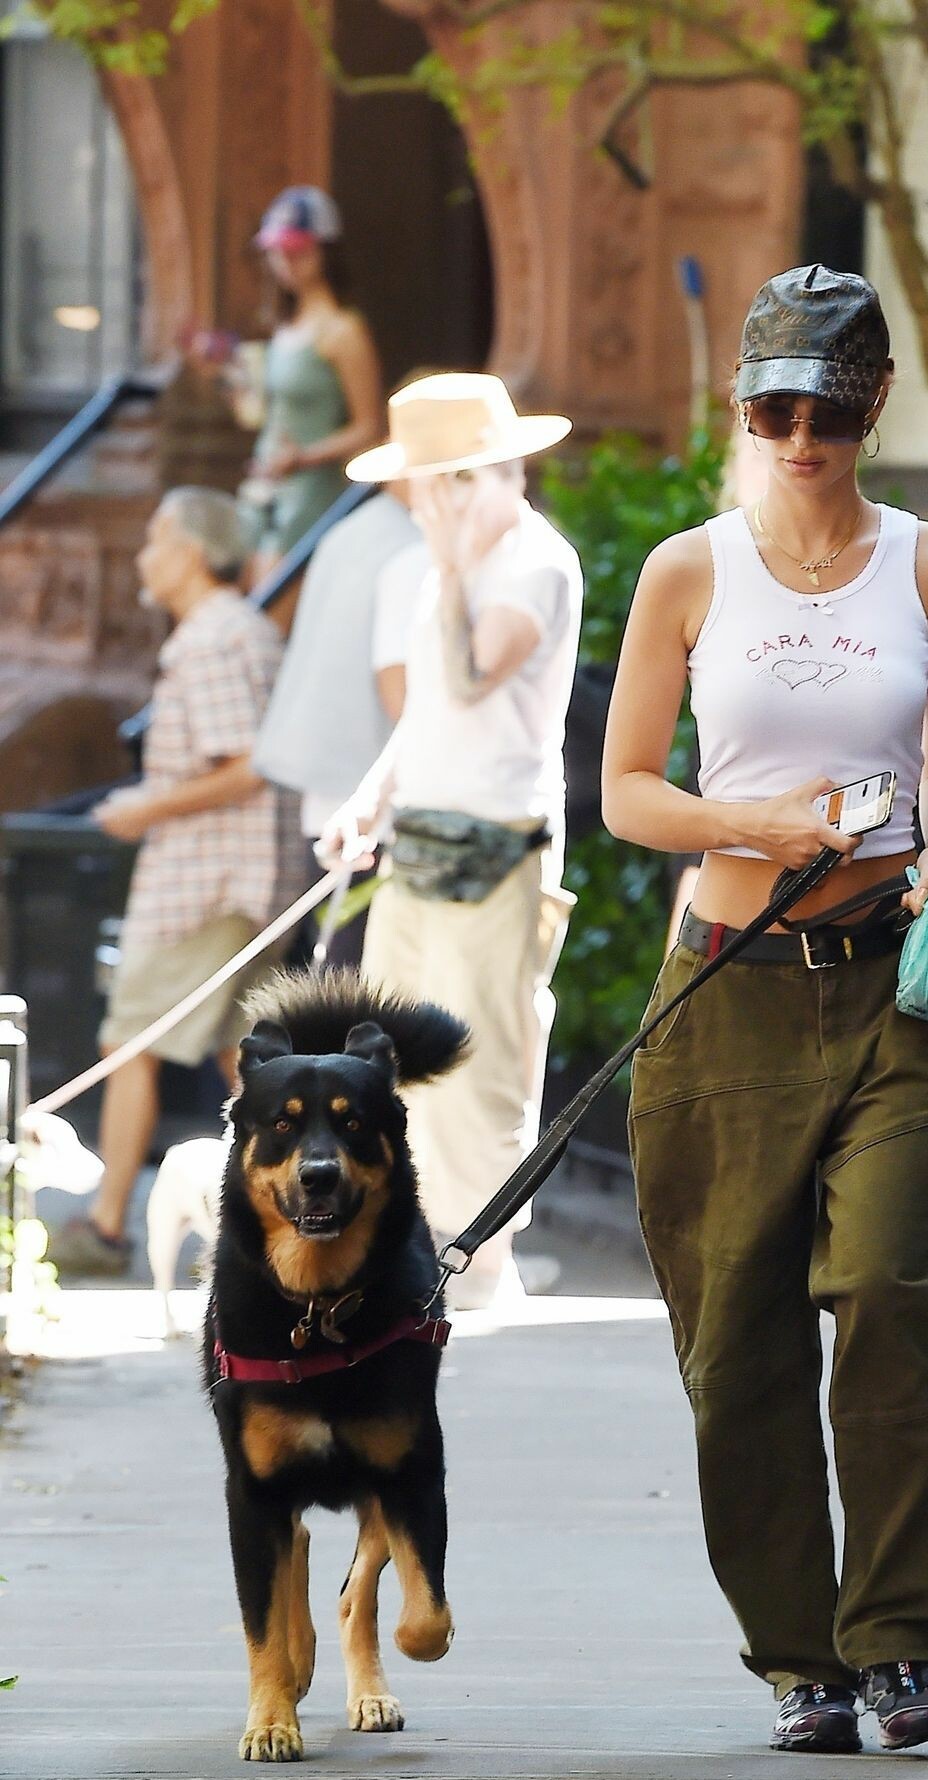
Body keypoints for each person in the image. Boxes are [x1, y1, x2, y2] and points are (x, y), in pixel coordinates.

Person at [603, 264, 928, 1755]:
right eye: (775, 412)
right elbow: (628, 791)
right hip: (725, 993)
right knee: (736, 1344)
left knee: (888, 1285)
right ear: (742, 409)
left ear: (875, 402)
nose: (803, 437)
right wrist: (754, 825)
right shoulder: (689, 571)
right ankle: (797, 1660)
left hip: (891, 987)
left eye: (829, 409)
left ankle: (898, 1646)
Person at [319, 373, 583, 1311]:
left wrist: (452, 561)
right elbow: (430, 712)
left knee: (481, 1061)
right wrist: (369, 800)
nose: (410, 498)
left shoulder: (533, 563)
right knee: (389, 1053)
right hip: (419, 841)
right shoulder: (452, 564)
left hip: (501, 845)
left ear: (466, 478)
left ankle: (484, 1264)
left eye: (422, 481)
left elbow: (472, 678)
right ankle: (409, 1250)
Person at [48, 490, 305, 1277]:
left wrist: (145, 809)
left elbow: (247, 766)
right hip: (247, 877)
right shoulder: (241, 630)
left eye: (155, 540)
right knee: (248, 1059)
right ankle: (297, 1228)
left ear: (193, 551)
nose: (142, 556)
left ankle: (105, 1227)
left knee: (129, 1040)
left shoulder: (213, 639)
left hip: (208, 880)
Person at [252, 480, 426, 964]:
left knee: (338, 973)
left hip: (333, 796)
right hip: (375, 811)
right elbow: (404, 698)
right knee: (359, 981)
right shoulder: (412, 550)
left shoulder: (349, 532)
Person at [242, 187, 383, 578]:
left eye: (298, 251)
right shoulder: (282, 328)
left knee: (272, 590)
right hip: (266, 485)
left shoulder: (343, 331)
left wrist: (304, 457)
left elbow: (369, 426)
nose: (286, 262)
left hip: (312, 495)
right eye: (278, 251)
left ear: (324, 252)